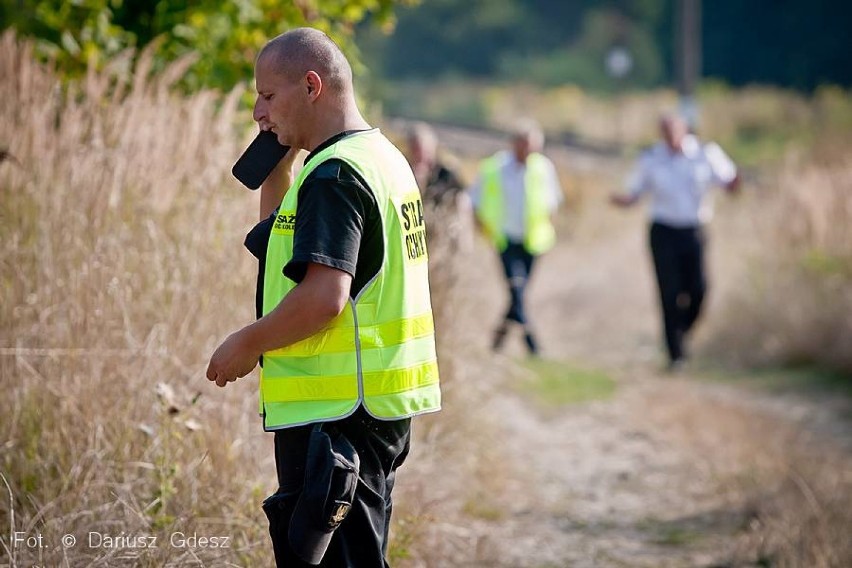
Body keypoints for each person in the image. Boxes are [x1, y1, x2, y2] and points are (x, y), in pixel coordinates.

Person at [205, 28, 441, 567]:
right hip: (362, 413)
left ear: (311, 85)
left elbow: (322, 298)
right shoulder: (376, 158)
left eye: (267, 96)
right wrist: (280, 164)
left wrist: (248, 342)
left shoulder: (335, 176)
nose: (258, 112)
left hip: (338, 422)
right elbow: (283, 253)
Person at [611, 114, 740, 371]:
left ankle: (680, 332)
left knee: (699, 289)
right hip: (663, 232)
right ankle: (675, 354)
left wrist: (736, 183)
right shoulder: (651, 158)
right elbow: (635, 190)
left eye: (674, 130)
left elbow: (729, 181)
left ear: (684, 130)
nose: (670, 135)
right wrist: (624, 200)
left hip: (694, 229)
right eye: (665, 131)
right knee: (669, 292)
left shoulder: (706, 153)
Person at [468, 120, 563, 356]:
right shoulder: (494, 168)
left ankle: (498, 339)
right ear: (515, 144)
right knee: (516, 290)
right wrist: (483, 230)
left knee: (517, 294)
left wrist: (548, 227)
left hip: (534, 242)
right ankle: (532, 344)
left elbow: (553, 202)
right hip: (505, 240)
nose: (529, 151)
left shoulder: (544, 168)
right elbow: (475, 202)